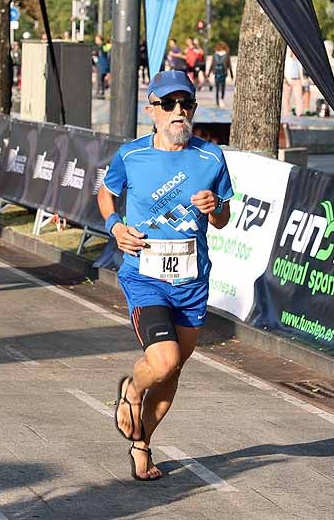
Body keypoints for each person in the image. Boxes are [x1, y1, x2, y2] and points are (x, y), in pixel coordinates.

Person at [96, 69, 233, 481]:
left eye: (186, 104)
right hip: (145, 276)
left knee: (173, 371)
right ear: (151, 110)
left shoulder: (211, 157)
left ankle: (142, 445)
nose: (179, 112)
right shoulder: (131, 155)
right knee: (164, 359)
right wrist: (116, 227)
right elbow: (107, 192)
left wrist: (215, 207)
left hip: (192, 281)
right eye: (169, 105)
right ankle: (132, 391)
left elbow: (224, 217)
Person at [281, 48, 303, 117]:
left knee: (298, 97)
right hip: (288, 81)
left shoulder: (298, 61)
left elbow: (300, 70)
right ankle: (286, 113)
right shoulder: (287, 60)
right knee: (286, 98)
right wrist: (287, 80)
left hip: (297, 80)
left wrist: (302, 80)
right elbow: (285, 70)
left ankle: (299, 112)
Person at [210, 41, 233, 107]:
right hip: (224, 73)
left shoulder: (215, 55)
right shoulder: (227, 55)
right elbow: (229, 65)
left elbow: (212, 64)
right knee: (223, 87)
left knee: (217, 88)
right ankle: (222, 100)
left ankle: (217, 102)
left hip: (216, 72)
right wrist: (231, 75)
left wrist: (208, 73)